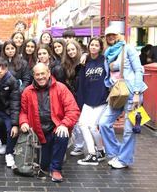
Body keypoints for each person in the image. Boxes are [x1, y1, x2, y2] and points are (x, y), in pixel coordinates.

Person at [19, 63, 80, 182]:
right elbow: (23, 112)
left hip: (55, 128)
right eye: (37, 74)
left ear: (48, 73)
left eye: (43, 73)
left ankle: (56, 169)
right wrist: (23, 122)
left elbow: (73, 110)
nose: (40, 77)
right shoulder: (27, 91)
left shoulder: (61, 88)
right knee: (44, 165)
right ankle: (55, 156)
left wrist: (64, 124)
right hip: (39, 133)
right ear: (33, 76)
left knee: (62, 135)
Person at [99, 25, 147, 169]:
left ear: (119, 35)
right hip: (117, 92)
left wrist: (138, 93)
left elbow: (139, 70)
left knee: (129, 129)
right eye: (108, 36)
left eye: (113, 34)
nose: (111, 37)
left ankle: (124, 159)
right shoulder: (107, 52)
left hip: (132, 92)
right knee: (103, 123)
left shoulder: (129, 49)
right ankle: (117, 153)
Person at [76, 37, 109, 165]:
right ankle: (96, 152)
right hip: (88, 100)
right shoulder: (85, 61)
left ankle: (94, 153)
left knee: (93, 127)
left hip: (101, 99)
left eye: (96, 45)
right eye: (92, 45)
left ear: (100, 48)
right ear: (88, 46)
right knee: (83, 124)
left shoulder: (104, 60)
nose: (94, 47)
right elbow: (82, 83)